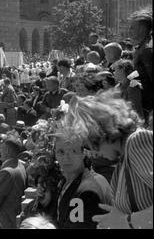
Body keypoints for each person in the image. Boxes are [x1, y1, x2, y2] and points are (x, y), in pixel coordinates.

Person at [63, 91, 153, 229]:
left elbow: (129, 220)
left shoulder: (137, 141)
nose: (92, 153)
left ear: (100, 132)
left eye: (89, 144)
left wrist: (127, 221)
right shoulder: (123, 160)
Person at [53, 127, 113, 229]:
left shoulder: (87, 192)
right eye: (61, 151)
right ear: (55, 153)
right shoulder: (70, 180)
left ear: (83, 153)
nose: (66, 158)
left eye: (73, 151)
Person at [0, 138, 27, 228]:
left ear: (8, 151)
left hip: (4, 222)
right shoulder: (20, 166)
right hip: (13, 219)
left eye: (1, 148)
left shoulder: (6, 172)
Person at [128, 8, 152, 121]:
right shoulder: (141, 48)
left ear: (142, 29)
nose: (129, 30)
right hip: (142, 105)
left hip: (148, 108)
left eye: (132, 27)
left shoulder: (147, 51)